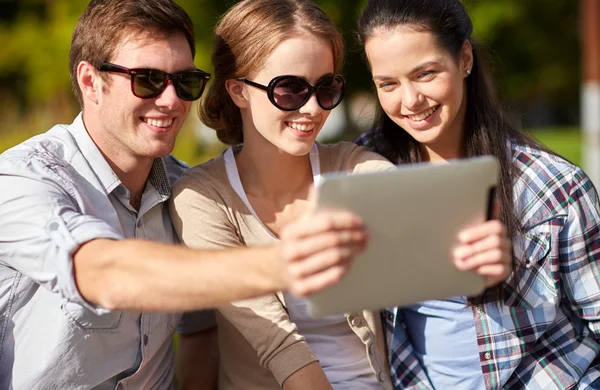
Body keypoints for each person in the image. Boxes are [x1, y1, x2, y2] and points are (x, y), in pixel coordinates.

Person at [0, 1, 376, 389]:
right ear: (90, 82)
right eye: (147, 79)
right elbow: (102, 273)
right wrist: (286, 263)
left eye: (185, 82)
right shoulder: (23, 180)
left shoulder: (186, 191)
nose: (172, 100)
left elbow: (200, 335)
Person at [169, 0, 511, 389]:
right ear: (238, 91)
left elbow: (425, 242)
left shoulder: (357, 168)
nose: (314, 108)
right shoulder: (201, 197)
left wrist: (471, 252)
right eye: (290, 89)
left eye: (325, 87)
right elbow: (276, 343)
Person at [354, 0, 600, 389]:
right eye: (388, 83)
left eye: (426, 73)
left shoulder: (552, 187)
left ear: (464, 57)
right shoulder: (358, 174)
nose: (410, 101)